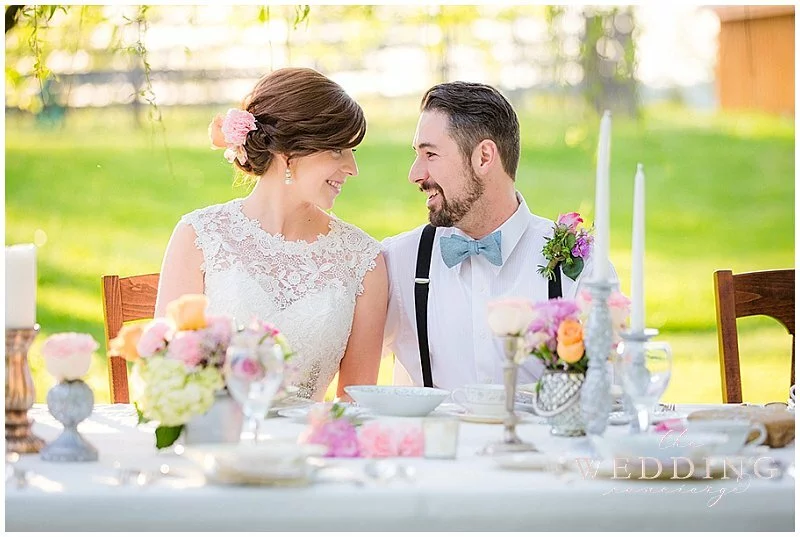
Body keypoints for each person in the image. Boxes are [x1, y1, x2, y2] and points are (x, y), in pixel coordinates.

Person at [156, 67, 388, 401]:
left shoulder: (363, 261)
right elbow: (168, 378)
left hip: (311, 449)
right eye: (337, 149)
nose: (352, 167)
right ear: (288, 153)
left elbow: (355, 404)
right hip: (214, 441)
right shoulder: (199, 237)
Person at [382, 81, 615, 390]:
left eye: (431, 155)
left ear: (484, 157)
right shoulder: (398, 263)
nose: (415, 174)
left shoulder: (580, 265)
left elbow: (609, 395)